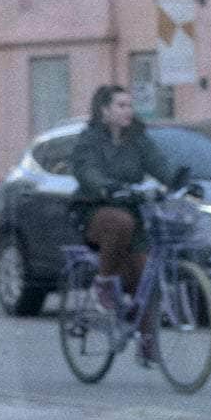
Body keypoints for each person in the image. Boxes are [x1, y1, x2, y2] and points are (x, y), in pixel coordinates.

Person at [70, 85, 174, 361]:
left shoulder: (137, 138)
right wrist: (104, 186)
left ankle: (146, 340)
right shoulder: (89, 139)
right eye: (121, 105)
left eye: (130, 105)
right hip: (95, 209)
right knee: (120, 222)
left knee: (146, 272)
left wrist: (179, 180)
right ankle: (103, 282)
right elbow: (86, 169)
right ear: (104, 110)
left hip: (132, 211)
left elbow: (159, 163)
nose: (128, 110)